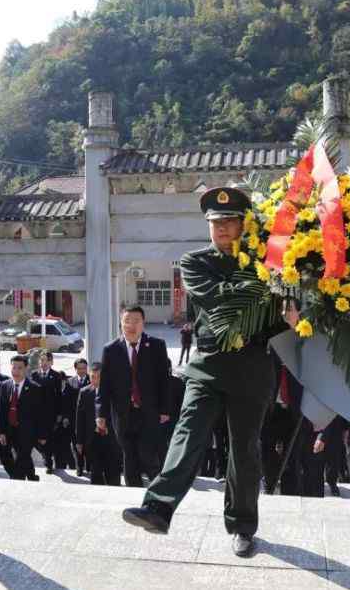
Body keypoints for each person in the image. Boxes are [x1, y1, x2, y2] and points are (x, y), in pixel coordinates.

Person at [121, 186, 291, 558]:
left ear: (245, 224)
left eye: (230, 221)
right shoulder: (195, 262)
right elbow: (217, 300)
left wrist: (283, 310)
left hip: (253, 364)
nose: (223, 229)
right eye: (216, 223)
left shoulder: (272, 261)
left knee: (244, 450)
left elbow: (278, 319)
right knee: (188, 432)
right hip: (208, 363)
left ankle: (243, 526)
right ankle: (159, 507)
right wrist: (262, 292)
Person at [96, 305, 170, 487]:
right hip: (122, 414)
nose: (131, 326)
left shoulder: (156, 346)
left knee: (147, 455)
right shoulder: (111, 349)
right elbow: (104, 386)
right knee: (128, 457)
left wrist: (165, 409)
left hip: (148, 413)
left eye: (136, 321)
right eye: (126, 321)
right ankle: (132, 495)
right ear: (121, 324)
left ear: (143, 324)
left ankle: (158, 495)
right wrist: (101, 414)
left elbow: (164, 381)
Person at [0, 355, 48, 481]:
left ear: (26, 369)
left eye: (19, 368)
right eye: (14, 368)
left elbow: (40, 414)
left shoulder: (35, 388)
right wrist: (1, 432)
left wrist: (42, 435)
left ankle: (17, 481)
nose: (16, 371)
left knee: (22, 457)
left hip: (27, 432)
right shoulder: (5, 385)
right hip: (9, 430)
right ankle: (32, 476)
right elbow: (1, 411)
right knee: (14, 457)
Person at [76, 362, 122, 485]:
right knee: (95, 473)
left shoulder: (115, 393)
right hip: (93, 439)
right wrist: (79, 441)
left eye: (98, 377)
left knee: (113, 473)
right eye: (92, 377)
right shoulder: (85, 392)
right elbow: (80, 419)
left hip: (111, 438)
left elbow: (120, 416)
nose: (95, 380)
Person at [261, 361, 303, 495]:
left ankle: (289, 491)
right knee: (267, 450)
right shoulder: (272, 356)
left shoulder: (298, 358)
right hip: (272, 411)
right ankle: (269, 484)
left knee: (292, 454)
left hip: (292, 412)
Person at [31, 350, 66, 474]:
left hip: (51, 413)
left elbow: (59, 396)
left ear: (51, 362)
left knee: (49, 439)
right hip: (37, 414)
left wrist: (60, 413)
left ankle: (49, 463)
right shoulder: (34, 375)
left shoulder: (56, 376)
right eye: (41, 360)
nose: (43, 363)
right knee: (37, 439)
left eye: (46, 360)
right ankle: (46, 456)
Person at [71, 358, 91, 476]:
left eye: (84, 368)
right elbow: (67, 402)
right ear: (75, 369)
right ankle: (79, 467)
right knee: (76, 445)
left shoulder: (91, 380)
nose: (82, 371)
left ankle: (89, 466)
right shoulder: (70, 382)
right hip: (75, 419)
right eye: (79, 368)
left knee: (89, 444)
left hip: (89, 419)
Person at [322, 416, 348, 497]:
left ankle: (332, 483)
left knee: (333, 461)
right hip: (319, 427)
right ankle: (317, 482)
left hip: (336, 430)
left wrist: (346, 429)